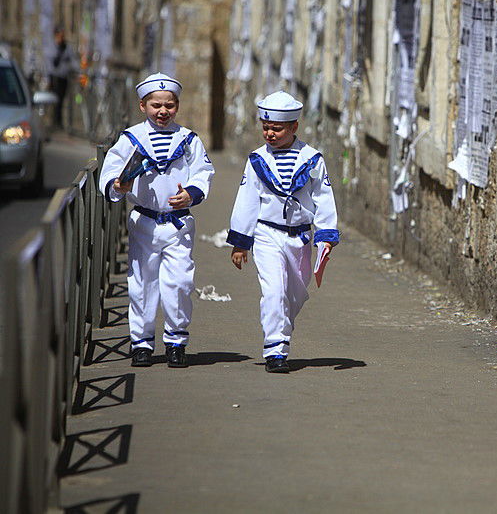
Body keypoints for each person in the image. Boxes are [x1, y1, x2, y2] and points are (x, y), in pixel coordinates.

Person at [98, 72, 215, 368]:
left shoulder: (187, 139)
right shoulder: (131, 138)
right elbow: (110, 169)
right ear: (143, 106)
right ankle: (141, 342)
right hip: (144, 223)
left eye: (169, 105)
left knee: (178, 283)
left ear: (177, 106)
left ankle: (176, 341)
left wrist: (190, 193)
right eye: (156, 105)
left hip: (178, 224)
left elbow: (203, 171)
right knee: (142, 283)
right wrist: (117, 184)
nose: (163, 111)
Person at [227, 90, 339, 373]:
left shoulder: (312, 158)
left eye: (276, 128)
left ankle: (280, 332)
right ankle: (276, 350)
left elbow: (323, 197)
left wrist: (326, 235)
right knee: (274, 292)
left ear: (293, 127)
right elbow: (247, 200)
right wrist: (241, 242)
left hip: (300, 238)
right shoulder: (256, 159)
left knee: (294, 295)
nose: (270, 133)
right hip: (267, 235)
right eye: (265, 127)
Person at [49, 26, 77, 128]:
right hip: (54, 76)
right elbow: (51, 62)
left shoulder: (66, 47)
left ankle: (59, 121)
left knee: (61, 99)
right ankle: (54, 120)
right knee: (54, 100)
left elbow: (73, 61)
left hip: (63, 77)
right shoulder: (52, 46)